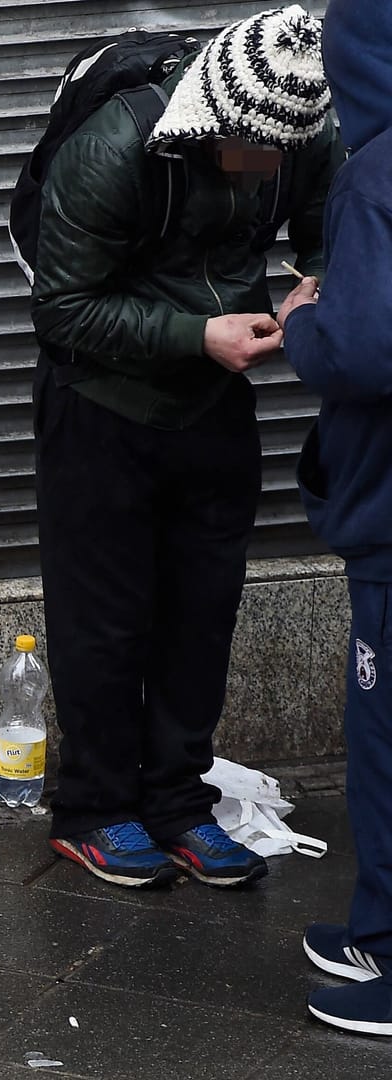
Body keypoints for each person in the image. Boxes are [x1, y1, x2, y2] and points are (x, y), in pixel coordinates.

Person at [30, 5, 341, 889]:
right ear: (210, 114)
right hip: (100, 402)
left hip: (211, 407)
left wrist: (313, 284)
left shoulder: (295, 129)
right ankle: (93, 810)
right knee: (106, 620)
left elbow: (327, 220)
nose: (265, 167)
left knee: (202, 613)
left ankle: (176, 800)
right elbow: (62, 311)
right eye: (249, 150)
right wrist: (196, 336)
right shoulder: (119, 148)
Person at [275, 0, 392, 1038]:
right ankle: (378, 924)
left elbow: (362, 351)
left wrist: (308, 317)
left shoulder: (376, 176)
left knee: (387, 737)